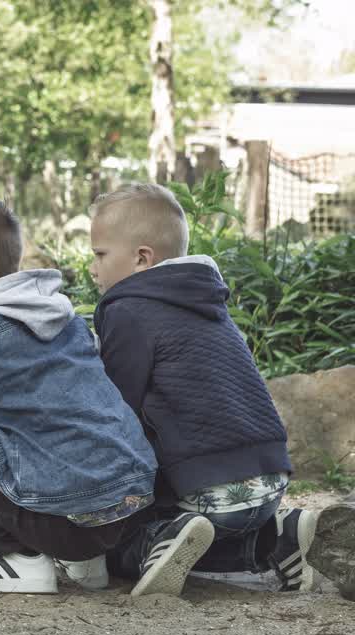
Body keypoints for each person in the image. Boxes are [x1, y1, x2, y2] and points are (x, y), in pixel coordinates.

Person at [0, 190, 214, 596]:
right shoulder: (63, 316)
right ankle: (84, 561)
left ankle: (19, 558)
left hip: (66, 523)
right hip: (130, 504)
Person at [88, 182, 351, 592]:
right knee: (201, 537)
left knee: (116, 546)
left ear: (142, 258)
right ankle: (275, 539)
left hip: (206, 493)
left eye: (99, 255)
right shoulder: (205, 300)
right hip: (270, 482)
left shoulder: (127, 310)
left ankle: (153, 542)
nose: (93, 268)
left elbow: (117, 411)